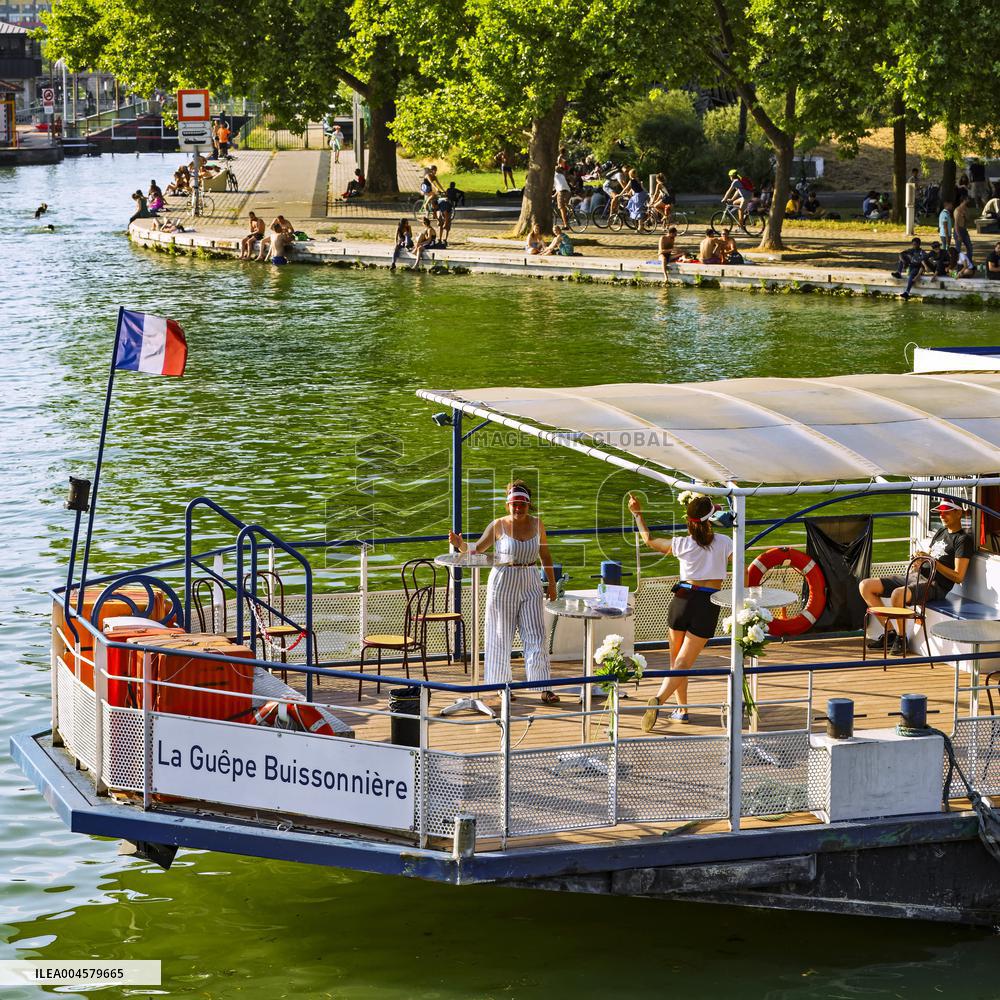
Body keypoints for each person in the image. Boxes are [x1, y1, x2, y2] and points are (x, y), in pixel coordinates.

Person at [448, 481, 560, 708]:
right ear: (507, 504)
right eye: (514, 504)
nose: (518, 509)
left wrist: (551, 584)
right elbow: (476, 550)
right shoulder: (498, 525)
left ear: (529, 505)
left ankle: (543, 686)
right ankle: (502, 687)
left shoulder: (538, 524)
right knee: (500, 636)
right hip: (503, 581)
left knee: (536, 635)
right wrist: (460, 545)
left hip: (530, 579)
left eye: (522, 504)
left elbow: (545, 556)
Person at [629, 492, 734, 728]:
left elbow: (649, 540)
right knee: (683, 662)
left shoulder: (681, 543)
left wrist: (637, 514)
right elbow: (743, 571)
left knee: (676, 661)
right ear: (711, 518)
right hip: (708, 603)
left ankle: (682, 709)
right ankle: (659, 700)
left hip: (682, 599)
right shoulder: (726, 542)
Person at [859, 500, 973, 655]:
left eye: (946, 511)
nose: (941, 515)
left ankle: (901, 638)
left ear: (959, 513)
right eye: (939, 512)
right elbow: (931, 559)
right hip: (916, 577)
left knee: (897, 594)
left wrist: (932, 561)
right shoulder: (940, 532)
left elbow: (958, 576)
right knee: (865, 586)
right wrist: (920, 562)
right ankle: (890, 634)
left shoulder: (963, 540)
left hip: (935, 585)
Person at [954, 196, 976, 261]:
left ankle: (969, 261)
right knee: (958, 248)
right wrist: (958, 235)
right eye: (967, 200)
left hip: (964, 230)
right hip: (958, 230)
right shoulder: (957, 210)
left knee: (969, 247)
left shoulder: (966, 209)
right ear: (963, 201)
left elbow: (968, 220)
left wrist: (965, 216)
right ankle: (957, 263)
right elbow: (956, 224)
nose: (968, 202)